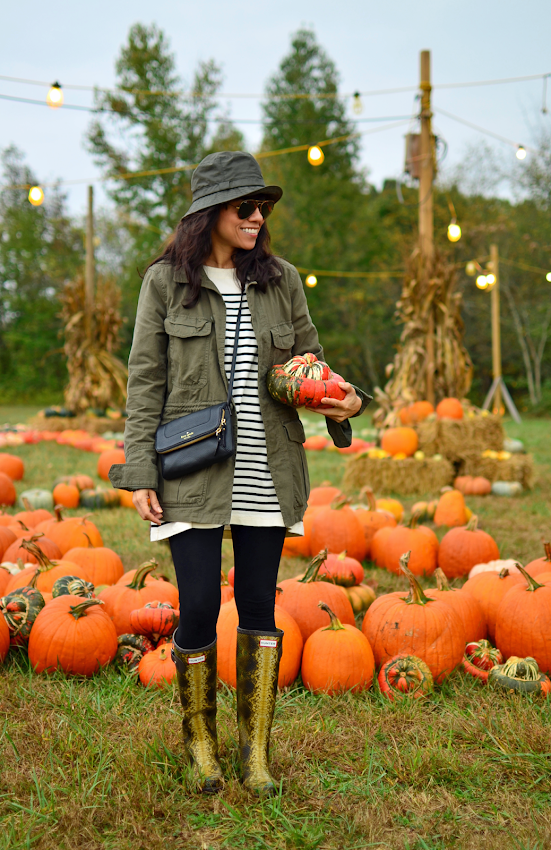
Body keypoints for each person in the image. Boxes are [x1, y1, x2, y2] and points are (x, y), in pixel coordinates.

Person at [109, 150, 371, 796]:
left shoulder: (281, 280)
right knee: (197, 604)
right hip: (190, 471)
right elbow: (145, 381)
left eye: (264, 208)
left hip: (266, 466)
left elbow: (309, 362)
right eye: (245, 207)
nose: (258, 217)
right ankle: (201, 746)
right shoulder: (165, 284)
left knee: (258, 606)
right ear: (209, 214)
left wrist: (343, 401)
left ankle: (254, 755)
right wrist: (139, 468)